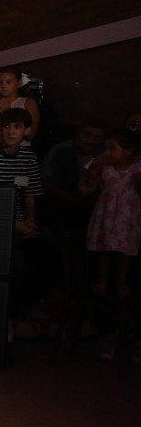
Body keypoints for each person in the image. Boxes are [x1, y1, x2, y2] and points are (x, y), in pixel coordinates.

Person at [0, 108, 46, 319]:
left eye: (17, 127)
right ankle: (11, 314)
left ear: (26, 131)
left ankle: (29, 303)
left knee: (52, 255)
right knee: (17, 264)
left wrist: (29, 220)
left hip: (21, 221)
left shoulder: (29, 158)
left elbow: (30, 195)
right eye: (7, 127)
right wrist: (13, 224)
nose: (11, 132)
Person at [80, 128, 141, 299]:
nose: (107, 152)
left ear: (128, 151)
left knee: (124, 252)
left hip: (126, 219)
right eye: (105, 148)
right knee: (104, 250)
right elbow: (90, 184)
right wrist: (93, 171)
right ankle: (102, 282)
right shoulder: (105, 168)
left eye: (112, 148)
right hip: (107, 217)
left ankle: (121, 284)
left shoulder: (137, 170)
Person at [41, 118, 106, 236]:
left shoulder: (102, 154)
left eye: (97, 138)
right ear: (78, 134)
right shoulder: (61, 151)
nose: (91, 141)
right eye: (87, 135)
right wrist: (76, 199)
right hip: (61, 209)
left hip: (94, 211)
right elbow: (47, 184)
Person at [0, 68, 42, 148]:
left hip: (19, 151)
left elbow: (30, 135)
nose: (4, 86)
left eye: (8, 82)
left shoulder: (28, 103)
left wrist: (8, 114)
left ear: (19, 83)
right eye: (0, 83)